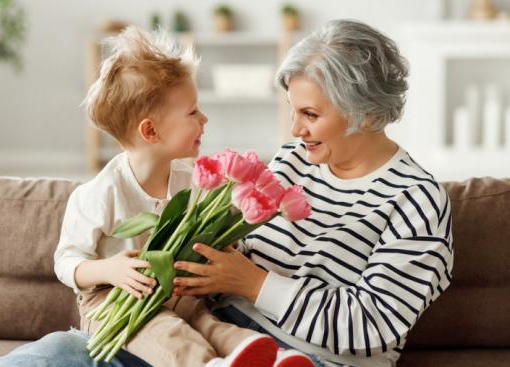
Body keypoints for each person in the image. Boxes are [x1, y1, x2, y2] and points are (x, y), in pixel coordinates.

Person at [0, 26, 316, 367]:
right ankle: (207, 366)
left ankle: (272, 358)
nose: (204, 118)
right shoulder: (99, 193)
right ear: (150, 131)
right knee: (166, 331)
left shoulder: (192, 183)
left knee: (210, 323)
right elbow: (66, 262)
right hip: (114, 304)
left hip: (175, 297)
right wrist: (110, 269)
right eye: (193, 112)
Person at [172, 19, 454, 367]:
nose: (295, 128)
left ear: (365, 113)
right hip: (220, 332)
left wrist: (255, 284)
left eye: (310, 114)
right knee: (86, 350)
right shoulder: (293, 159)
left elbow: (373, 324)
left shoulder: (416, 200)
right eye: (293, 109)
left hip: (310, 357)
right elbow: (245, 253)